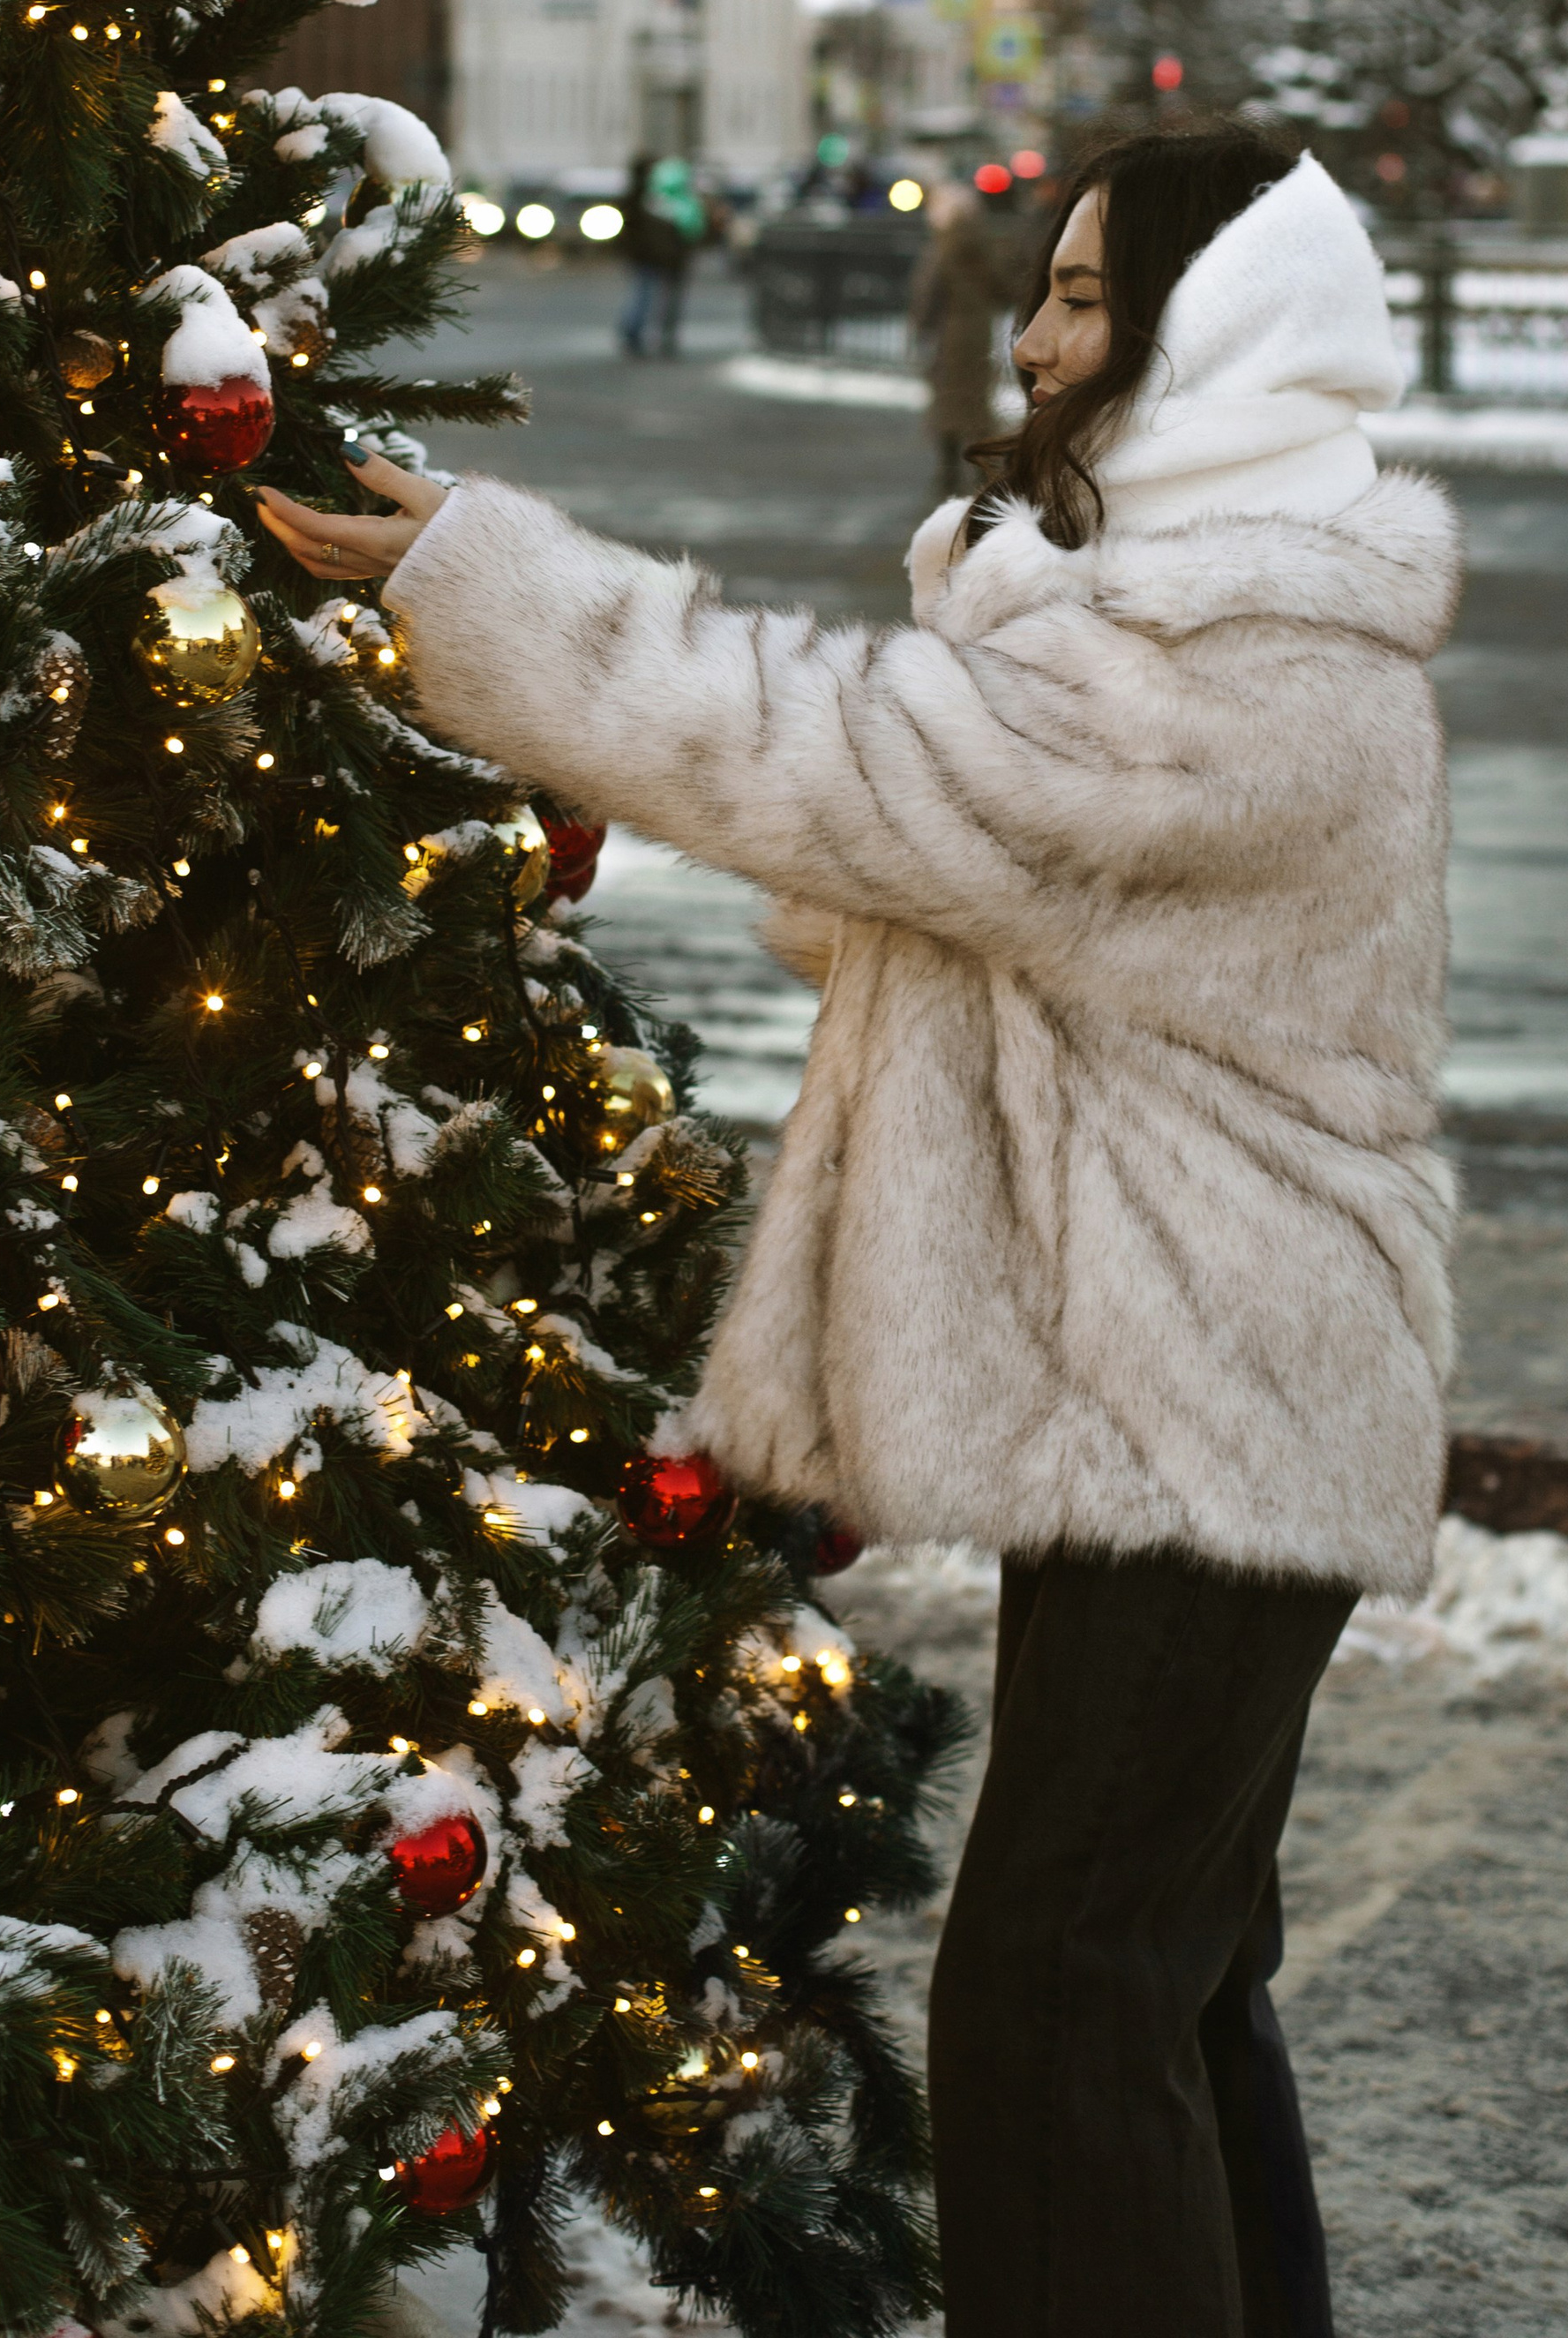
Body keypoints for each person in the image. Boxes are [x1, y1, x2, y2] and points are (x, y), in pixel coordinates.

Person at [258, 118, 1460, 2338]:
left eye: (1091, 297)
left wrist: (485, 583)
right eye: (1051, 283)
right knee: (1158, 1977)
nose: (1034, 330)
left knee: (1063, 1987)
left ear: (1220, 340)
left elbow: (834, 773)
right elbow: (890, 865)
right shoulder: (1178, 612)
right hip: (1181, 1371)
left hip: (1205, 1384)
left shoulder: (1244, 649)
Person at [909, 177, 1027, 500]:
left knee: (948, 401)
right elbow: (1003, 287)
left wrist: (920, 328)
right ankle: (980, 467)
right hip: (978, 332)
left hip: (949, 333)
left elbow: (928, 293)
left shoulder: (943, 247)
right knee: (976, 402)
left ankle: (949, 471)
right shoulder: (982, 245)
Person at [616, 154, 704, 357]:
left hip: (655, 259)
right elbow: (694, 232)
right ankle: (658, 337)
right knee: (659, 299)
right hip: (666, 260)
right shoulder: (676, 203)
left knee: (646, 297)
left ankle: (641, 336)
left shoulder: (651, 200)